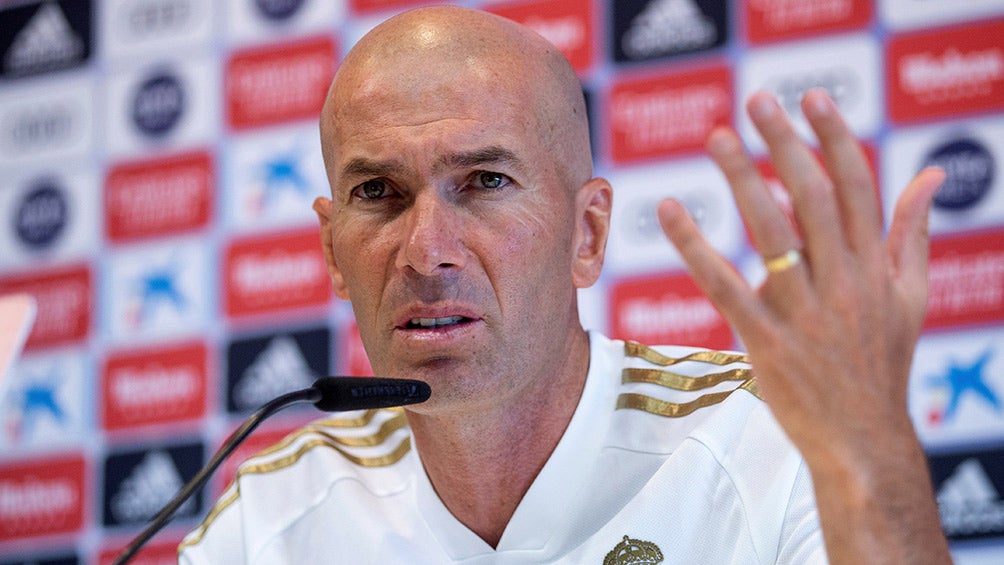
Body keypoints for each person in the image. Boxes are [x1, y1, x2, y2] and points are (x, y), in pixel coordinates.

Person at [179, 6, 952, 563]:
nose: (425, 251)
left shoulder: (770, 442)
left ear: (587, 235)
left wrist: (870, 455)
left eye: (483, 180)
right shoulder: (271, 518)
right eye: (377, 193)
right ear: (331, 250)